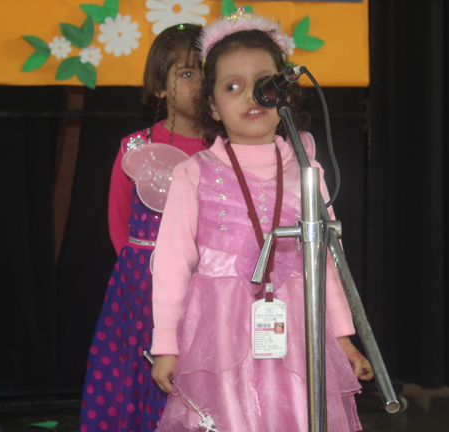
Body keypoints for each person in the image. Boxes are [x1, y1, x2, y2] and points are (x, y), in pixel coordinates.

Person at [150, 10, 373, 431]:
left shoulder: (308, 170)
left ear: (284, 94)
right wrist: (166, 345)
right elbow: (171, 266)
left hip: (299, 334)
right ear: (213, 106)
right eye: (232, 86)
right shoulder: (194, 172)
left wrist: (342, 338)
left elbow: (330, 262)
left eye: (265, 84)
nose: (251, 96)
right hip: (219, 337)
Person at [79, 23, 207, 432]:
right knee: (136, 378)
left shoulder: (224, 150)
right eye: (187, 73)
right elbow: (119, 223)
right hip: (141, 289)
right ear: (159, 86)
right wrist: (143, 277)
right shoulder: (135, 148)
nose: (200, 83)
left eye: (207, 72)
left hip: (206, 284)